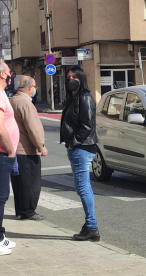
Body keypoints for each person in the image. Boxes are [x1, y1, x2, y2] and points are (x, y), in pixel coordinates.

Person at [60, 66, 99, 242]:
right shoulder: (74, 98)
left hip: (82, 147)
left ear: (81, 79)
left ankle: (92, 227)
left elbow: (87, 125)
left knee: (83, 188)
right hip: (79, 147)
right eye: (68, 76)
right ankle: (90, 225)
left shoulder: (84, 98)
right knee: (82, 187)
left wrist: (73, 143)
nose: (71, 79)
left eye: (74, 76)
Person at [10, 76, 48, 221]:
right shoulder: (26, 103)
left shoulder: (12, 100)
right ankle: (28, 211)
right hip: (26, 149)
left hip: (14, 148)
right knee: (31, 182)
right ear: (29, 87)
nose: (35, 89)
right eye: (34, 86)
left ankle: (20, 210)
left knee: (18, 182)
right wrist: (41, 146)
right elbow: (33, 128)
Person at [0, 60, 19, 255]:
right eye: (8, 70)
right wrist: (10, 149)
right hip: (2, 153)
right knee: (1, 196)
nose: (10, 74)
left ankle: (1, 236)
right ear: (2, 74)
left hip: (3, 153)